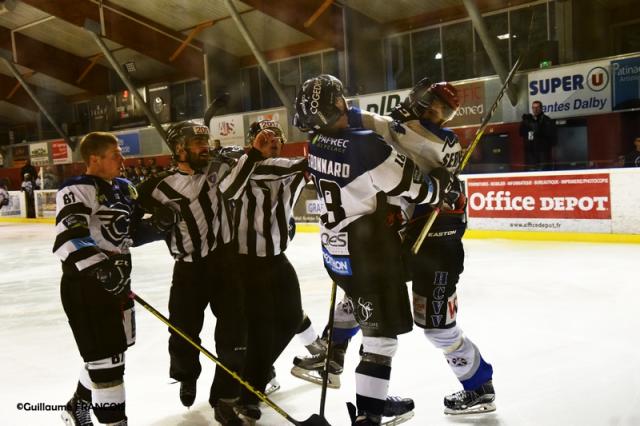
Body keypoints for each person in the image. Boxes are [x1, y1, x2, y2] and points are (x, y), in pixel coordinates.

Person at [293, 77, 496, 417]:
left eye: (444, 111)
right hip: (399, 237)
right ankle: (341, 359)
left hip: (437, 241)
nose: (437, 114)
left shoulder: (438, 141)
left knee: (434, 325)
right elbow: (354, 123)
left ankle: (479, 387)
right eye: (432, 104)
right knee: (366, 299)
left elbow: (384, 131)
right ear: (417, 98)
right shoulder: (384, 128)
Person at [136, 121, 261, 425]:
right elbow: (130, 230)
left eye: (206, 142)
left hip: (225, 266)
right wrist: (156, 225)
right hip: (188, 271)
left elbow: (246, 174)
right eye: (196, 143)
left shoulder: (219, 171)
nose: (204, 148)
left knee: (234, 332)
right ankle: (186, 374)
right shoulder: (157, 186)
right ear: (179, 148)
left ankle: (226, 396)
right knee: (182, 332)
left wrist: (242, 156)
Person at [53, 132, 160, 426]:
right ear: (94, 159)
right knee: (108, 364)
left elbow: (129, 234)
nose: (122, 160)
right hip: (86, 287)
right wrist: (101, 270)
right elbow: (70, 237)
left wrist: (159, 227)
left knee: (111, 356)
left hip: (118, 284)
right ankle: (113, 422)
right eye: (115, 154)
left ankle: (77, 407)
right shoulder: (77, 189)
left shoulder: (125, 188)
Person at [220, 119, 308, 423]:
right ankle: (249, 394)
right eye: (264, 138)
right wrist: (252, 155)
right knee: (260, 329)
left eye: (276, 139)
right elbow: (228, 191)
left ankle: (251, 377)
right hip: (246, 264)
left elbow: (305, 172)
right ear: (252, 141)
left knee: (292, 317)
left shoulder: (289, 169)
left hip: (276, 259)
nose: (272, 142)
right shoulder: (244, 167)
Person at [519, 100, 556, 171]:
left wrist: (535, 126)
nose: (535, 110)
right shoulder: (529, 120)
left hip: (543, 151)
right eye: (533, 108)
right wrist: (524, 123)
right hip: (531, 151)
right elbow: (521, 133)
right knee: (531, 171)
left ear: (541, 108)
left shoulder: (547, 120)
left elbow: (549, 136)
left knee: (543, 171)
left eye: (537, 107)